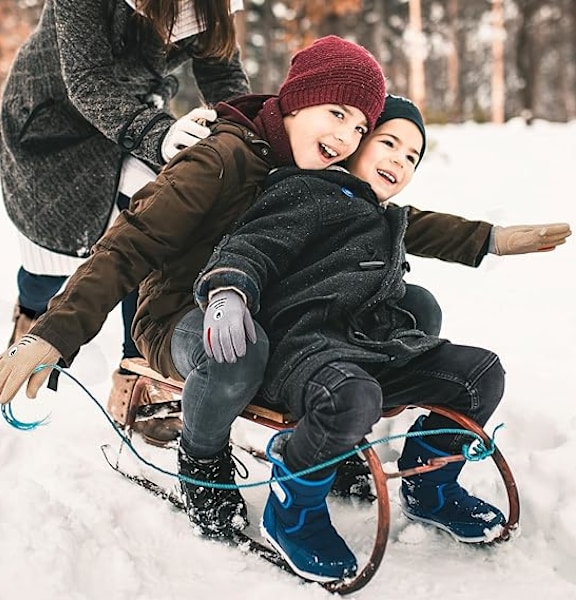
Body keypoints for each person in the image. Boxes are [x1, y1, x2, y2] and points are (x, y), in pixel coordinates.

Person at [0, 32, 388, 532]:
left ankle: (323, 440)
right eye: (336, 113)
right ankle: (201, 464)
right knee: (236, 350)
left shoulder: (321, 173)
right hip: (180, 313)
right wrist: (53, 331)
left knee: (358, 317)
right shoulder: (221, 158)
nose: (347, 137)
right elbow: (131, 243)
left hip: (267, 311)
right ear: (298, 101)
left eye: (361, 126)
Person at [191, 95, 571, 581]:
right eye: (388, 142)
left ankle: (429, 485)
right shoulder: (303, 191)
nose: (399, 159)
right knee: (352, 397)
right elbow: (252, 247)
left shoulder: (382, 214)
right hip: (304, 347)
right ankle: (294, 510)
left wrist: (494, 239)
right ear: (353, 145)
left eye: (412, 156)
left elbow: (434, 229)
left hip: (370, 344)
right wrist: (229, 288)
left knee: (480, 375)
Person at [0, 0, 250, 411]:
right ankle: (31, 313)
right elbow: (87, 80)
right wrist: (159, 133)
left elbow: (222, 72)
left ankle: (137, 373)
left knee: (156, 224)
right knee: (50, 260)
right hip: (55, 120)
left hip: (133, 115)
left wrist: (254, 133)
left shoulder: (211, 6)